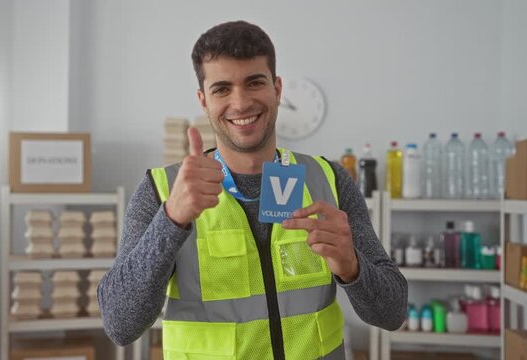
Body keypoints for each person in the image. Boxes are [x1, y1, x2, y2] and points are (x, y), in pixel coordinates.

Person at [99, 20, 407, 359]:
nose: (241, 102)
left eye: (254, 82)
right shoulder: (161, 191)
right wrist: (171, 220)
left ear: (277, 88)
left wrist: (352, 266)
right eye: (222, 89)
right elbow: (120, 325)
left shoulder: (328, 179)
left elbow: (393, 314)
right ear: (203, 100)